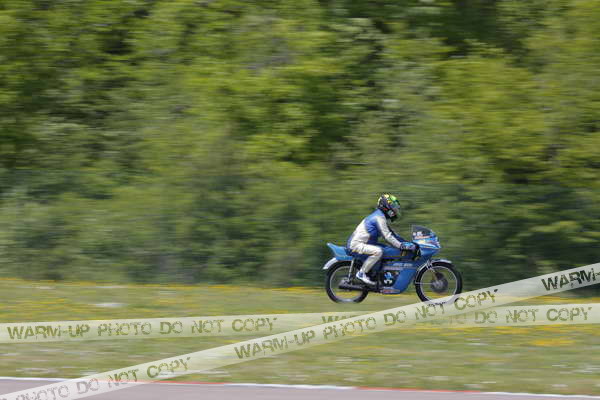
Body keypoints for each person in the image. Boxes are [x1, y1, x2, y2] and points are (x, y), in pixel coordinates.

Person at [346, 194, 417, 286]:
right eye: (393, 206)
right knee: (378, 251)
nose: (395, 210)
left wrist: (407, 243)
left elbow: (393, 235)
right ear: (386, 206)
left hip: (363, 244)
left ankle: (375, 275)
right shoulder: (379, 217)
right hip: (356, 245)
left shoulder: (380, 217)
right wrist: (401, 246)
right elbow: (387, 236)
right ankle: (361, 273)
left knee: (386, 249)